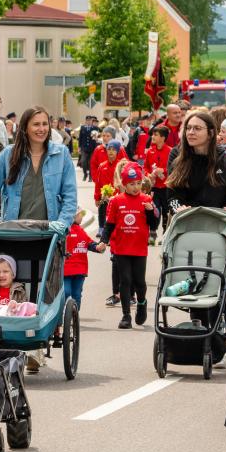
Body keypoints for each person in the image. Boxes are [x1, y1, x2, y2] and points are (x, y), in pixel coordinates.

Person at [0, 106, 77, 368]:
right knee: (17, 282)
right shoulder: (9, 156)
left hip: (49, 232)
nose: (41, 129)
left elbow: (70, 197)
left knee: (45, 286)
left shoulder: (61, 155)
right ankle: (14, 335)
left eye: (45, 124)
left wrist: (62, 224)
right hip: (15, 233)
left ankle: (37, 345)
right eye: (36, 124)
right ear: (25, 128)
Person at [100, 162, 154, 329]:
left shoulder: (146, 199)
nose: (136, 187)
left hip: (139, 248)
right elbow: (109, 224)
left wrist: (150, 211)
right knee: (125, 281)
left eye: (138, 183)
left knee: (140, 282)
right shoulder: (116, 201)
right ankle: (126, 316)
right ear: (124, 184)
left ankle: (142, 303)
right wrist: (103, 240)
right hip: (121, 248)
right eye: (131, 184)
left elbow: (153, 224)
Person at [166, 111, 226, 213]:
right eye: (188, 128)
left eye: (197, 128)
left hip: (219, 219)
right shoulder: (177, 155)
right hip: (186, 219)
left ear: (211, 133)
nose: (191, 132)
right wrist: (178, 208)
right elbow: (172, 194)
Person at [64, 210, 106, 310]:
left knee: (77, 294)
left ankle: (75, 315)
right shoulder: (65, 230)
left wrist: (98, 247)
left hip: (80, 269)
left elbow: (89, 243)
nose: (82, 217)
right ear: (73, 216)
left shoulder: (81, 230)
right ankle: (64, 314)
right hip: (66, 269)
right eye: (80, 214)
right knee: (66, 292)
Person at [144, 125, 172, 237]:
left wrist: (163, 170)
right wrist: (148, 175)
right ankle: (153, 232)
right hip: (153, 187)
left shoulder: (170, 151)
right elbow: (145, 167)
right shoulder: (150, 151)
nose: (152, 137)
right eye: (152, 134)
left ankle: (165, 234)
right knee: (154, 209)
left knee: (166, 211)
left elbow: (174, 168)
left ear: (163, 137)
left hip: (166, 187)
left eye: (155, 135)